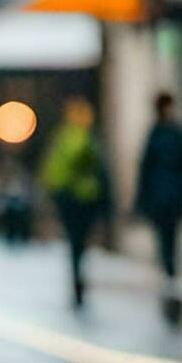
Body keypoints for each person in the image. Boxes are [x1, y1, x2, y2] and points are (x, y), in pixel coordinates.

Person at [135, 92, 182, 322]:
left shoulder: (159, 135)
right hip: (171, 198)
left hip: (164, 199)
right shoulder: (175, 134)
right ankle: (171, 275)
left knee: (167, 242)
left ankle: (170, 276)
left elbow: (145, 170)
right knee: (169, 241)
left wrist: (141, 201)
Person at [40, 97, 107, 309]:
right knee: (80, 241)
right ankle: (78, 277)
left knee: (74, 241)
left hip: (67, 198)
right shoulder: (87, 139)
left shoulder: (62, 137)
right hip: (85, 197)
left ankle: (76, 276)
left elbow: (52, 168)